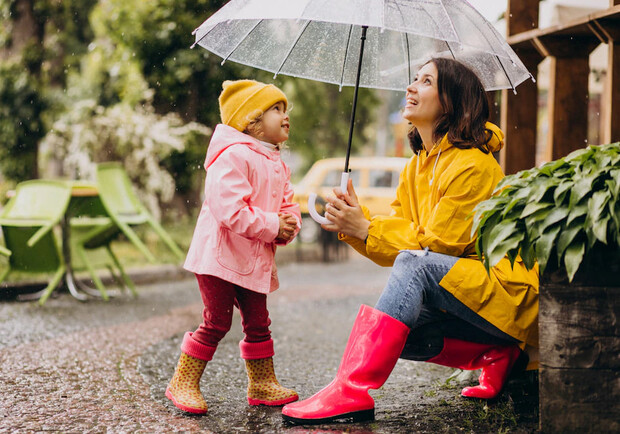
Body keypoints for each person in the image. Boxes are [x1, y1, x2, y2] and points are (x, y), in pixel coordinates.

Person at [282, 58, 539, 424]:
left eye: (426, 81)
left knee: (412, 273)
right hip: (469, 296)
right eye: (413, 78)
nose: (411, 87)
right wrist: (359, 223)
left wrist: (367, 228)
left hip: (505, 295)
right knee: (403, 324)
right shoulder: (417, 166)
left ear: (451, 101)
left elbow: (436, 247)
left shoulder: (473, 165)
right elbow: (402, 240)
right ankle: (494, 354)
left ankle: (351, 390)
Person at [166, 79, 301, 415]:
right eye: (276, 109)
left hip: (252, 259)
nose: (286, 115)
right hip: (219, 257)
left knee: (258, 321)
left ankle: (262, 383)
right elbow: (230, 210)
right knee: (217, 321)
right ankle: (182, 381)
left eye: (286, 109)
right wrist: (272, 226)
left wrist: (288, 225)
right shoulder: (233, 156)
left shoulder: (276, 161)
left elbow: (287, 204)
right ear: (250, 121)